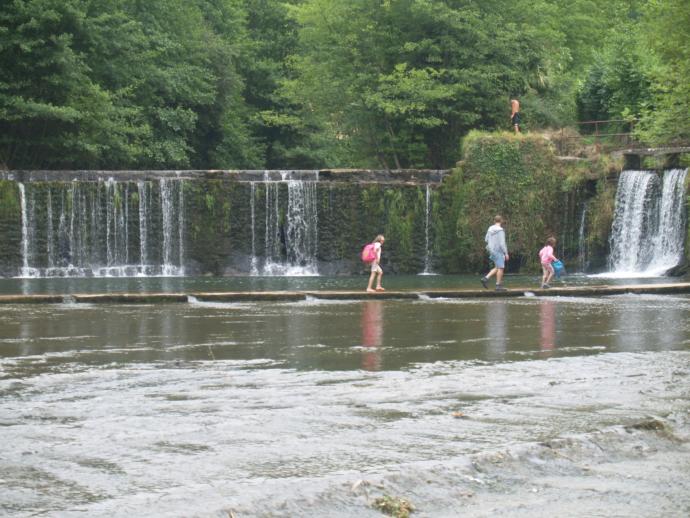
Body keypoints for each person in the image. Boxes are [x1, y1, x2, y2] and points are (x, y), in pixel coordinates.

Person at [480, 216, 509, 291]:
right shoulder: (501, 230)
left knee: (497, 267)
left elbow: (486, 239)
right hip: (498, 250)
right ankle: (498, 286)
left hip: (491, 250)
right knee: (501, 268)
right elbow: (502, 243)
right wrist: (506, 253)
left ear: (494, 221)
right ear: (501, 221)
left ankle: (485, 279)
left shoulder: (490, 228)